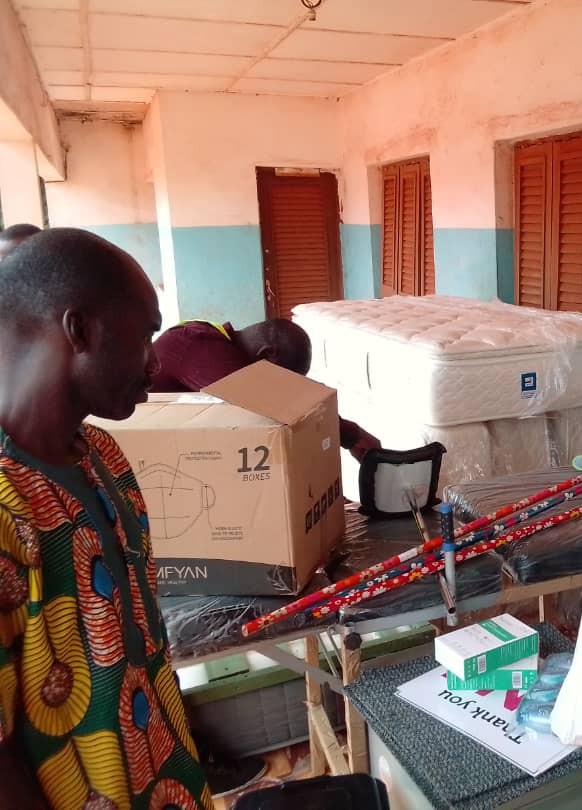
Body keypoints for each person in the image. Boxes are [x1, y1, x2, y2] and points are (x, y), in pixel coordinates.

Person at [0, 229, 211, 808]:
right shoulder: (4, 505)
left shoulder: (102, 456)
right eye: (145, 334)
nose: (155, 361)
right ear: (81, 330)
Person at [151, 318, 381, 459]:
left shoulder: (217, 345)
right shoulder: (198, 344)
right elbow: (275, 401)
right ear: (267, 354)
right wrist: (351, 435)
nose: (280, 386)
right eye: (281, 377)